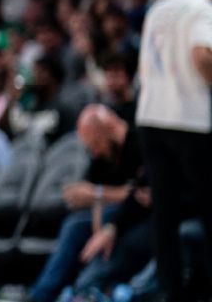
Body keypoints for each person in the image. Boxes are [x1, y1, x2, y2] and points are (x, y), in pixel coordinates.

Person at [135, 0, 212, 302]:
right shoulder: (202, 6)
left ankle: (173, 293)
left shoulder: (159, 7)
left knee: (163, 217)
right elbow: (201, 55)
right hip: (189, 121)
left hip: (150, 117)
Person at [26, 104, 143, 302]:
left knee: (107, 217)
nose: (94, 152)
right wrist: (94, 202)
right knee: (75, 224)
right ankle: (42, 296)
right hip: (109, 215)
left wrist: (97, 194)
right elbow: (96, 195)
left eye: (95, 144)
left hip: (138, 215)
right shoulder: (102, 154)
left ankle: (87, 287)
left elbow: (138, 194)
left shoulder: (138, 143)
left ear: (106, 130)